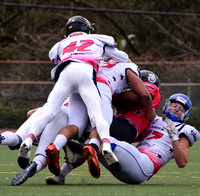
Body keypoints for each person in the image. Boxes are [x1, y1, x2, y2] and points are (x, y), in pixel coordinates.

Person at [16, 15, 130, 175]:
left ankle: (28, 139)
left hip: (66, 74)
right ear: (87, 29)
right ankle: (106, 145)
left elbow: (55, 65)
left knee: (49, 111)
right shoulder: (97, 39)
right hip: (86, 73)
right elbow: (123, 57)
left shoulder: (60, 44)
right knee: (97, 116)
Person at [47, 93, 200, 185]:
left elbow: (182, 162)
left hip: (145, 164)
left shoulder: (185, 130)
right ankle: (62, 174)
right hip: (128, 162)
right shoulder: (154, 120)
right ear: (168, 105)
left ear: (185, 114)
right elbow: (131, 137)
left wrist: (173, 136)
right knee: (93, 141)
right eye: (174, 105)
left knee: (102, 143)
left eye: (180, 109)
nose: (175, 109)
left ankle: (78, 150)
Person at [45, 70, 161, 184]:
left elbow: (136, 97)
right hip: (124, 128)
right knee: (89, 145)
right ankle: (62, 173)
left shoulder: (148, 88)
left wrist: (111, 90)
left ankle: (65, 141)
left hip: (126, 125)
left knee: (86, 119)